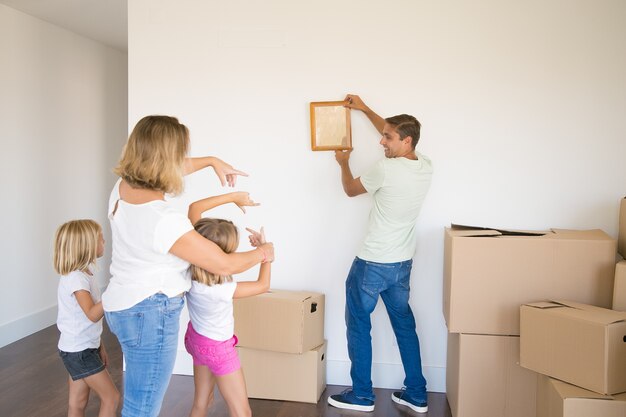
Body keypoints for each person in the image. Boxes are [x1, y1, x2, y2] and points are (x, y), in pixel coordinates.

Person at [102, 115, 274, 417]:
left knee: (140, 399)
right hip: (148, 314)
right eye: (180, 153)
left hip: (121, 304)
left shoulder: (122, 187)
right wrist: (264, 254)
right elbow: (222, 263)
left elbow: (172, 171)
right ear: (166, 159)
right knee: (142, 408)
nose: (184, 161)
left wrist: (211, 161)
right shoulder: (164, 219)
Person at [327, 94, 433, 413]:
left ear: (406, 141)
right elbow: (395, 130)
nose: (381, 142)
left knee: (358, 325)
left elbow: (349, 190)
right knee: (404, 326)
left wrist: (343, 163)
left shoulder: (385, 170)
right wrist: (364, 109)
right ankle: (416, 393)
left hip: (372, 264)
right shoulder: (425, 166)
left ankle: (361, 395)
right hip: (401, 264)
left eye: (387, 138)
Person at [184, 192, 272, 417]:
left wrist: (233, 197)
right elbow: (262, 285)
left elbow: (195, 207)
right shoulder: (222, 289)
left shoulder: (188, 266)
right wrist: (266, 255)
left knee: (200, 404)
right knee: (242, 412)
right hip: (218, 350)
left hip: (196, 340)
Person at [54, 219, 120, 417]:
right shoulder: (76, 278)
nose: (104, 241)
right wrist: (115, 290)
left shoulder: (84, 273)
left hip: (79, 348)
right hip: (79, 352)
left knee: (78, 403)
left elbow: (85, 323)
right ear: (86, 245)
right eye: (100, 238)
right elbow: (92, 314)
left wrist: (99, 346)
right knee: (112, 398)